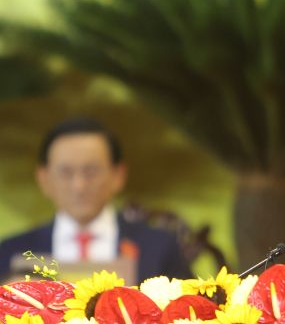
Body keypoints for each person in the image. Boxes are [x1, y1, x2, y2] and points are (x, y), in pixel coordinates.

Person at [0, 117, 193, 284]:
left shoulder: (158, 247)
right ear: (44, 179)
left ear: (118, 175)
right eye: (66, 173)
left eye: (91, 172)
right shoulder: (12, 252)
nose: (79, 186)